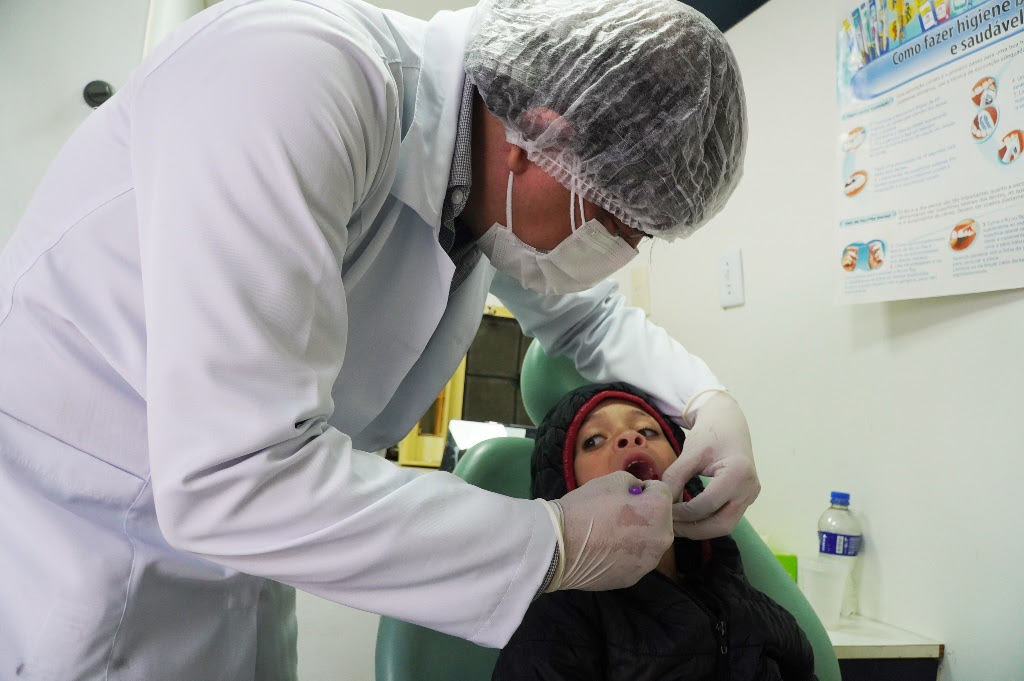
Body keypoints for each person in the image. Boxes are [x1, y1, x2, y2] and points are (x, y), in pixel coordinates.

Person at [0, 0, 753, 678]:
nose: (622, 250)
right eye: (618, 222)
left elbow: (587, 317)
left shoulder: (482, 184)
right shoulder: (293, 77)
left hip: (239, 568)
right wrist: (554, 542)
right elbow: (232, 477)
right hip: (88, 544)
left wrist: (705, 398)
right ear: (541, 138)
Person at [494, 383, 816, 681]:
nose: (630, 438)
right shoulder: (555, 622)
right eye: (594, 440)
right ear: (566, 487)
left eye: (648, 430)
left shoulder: (733, 588)